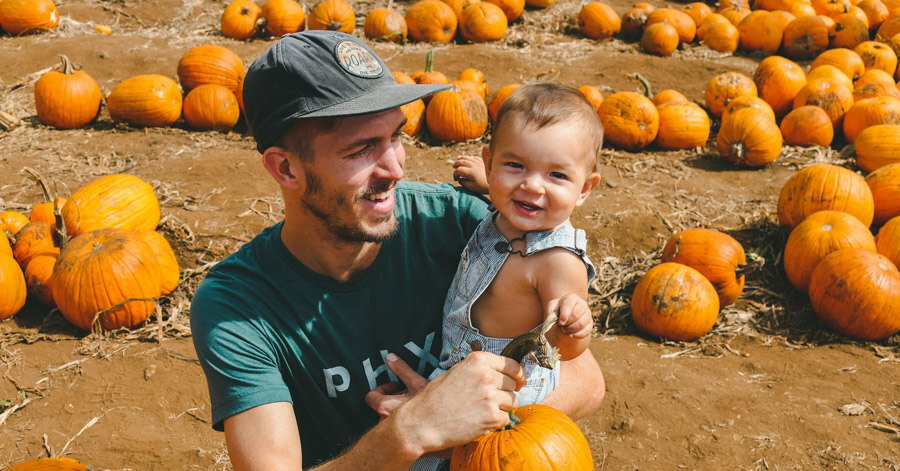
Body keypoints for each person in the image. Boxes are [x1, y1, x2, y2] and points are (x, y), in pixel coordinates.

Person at [189, 30, 605, 470]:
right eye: (362, 149)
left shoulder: (458, 223)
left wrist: (471, 424)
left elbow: (585, 378)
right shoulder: (238, 307)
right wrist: (412, 431)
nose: (395, 167)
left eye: (395, 136)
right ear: (286, 167)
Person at [411, 82, 604, 470]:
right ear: (490, 162)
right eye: (514, 166)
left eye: (557, 176)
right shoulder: (508, 211)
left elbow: (561, 352)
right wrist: (490, 186)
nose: (531, 185)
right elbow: (515, 192)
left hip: (511, 389)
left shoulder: (556, 260)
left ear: (584, 189)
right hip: (464, 367)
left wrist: (575, 323)